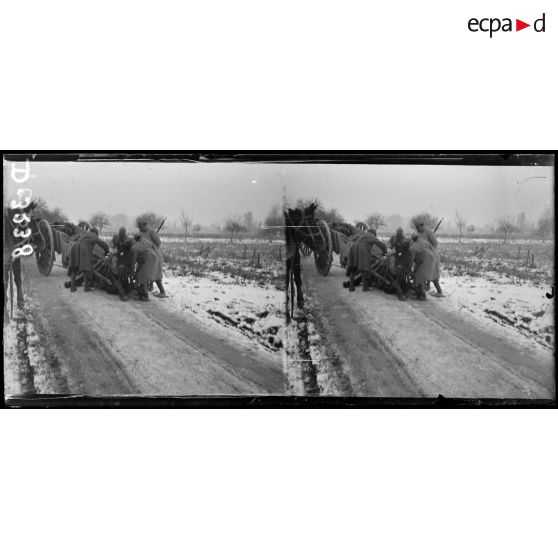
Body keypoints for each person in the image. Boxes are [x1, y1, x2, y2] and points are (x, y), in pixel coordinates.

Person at [68, 223, 109, 292]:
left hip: (74, 247)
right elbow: (102, 244)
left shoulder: (85, 234)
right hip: (83, 249)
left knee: (74, 268)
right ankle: (86, 288)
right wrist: (107, 251)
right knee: (86, 269)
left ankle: (72, 287)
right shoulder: (94, 235)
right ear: (96, 232)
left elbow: (76, 239)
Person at [346, 225, 387, 292]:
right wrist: (385, 251)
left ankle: (351, 287)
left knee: (352, 268)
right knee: (365, 269)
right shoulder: (371, 235)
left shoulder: (363, 234)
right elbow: (380, 244)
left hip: (353, 248)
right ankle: (365, 288)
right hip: (362, 250)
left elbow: (354, 239)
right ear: (374, 233)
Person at [137, 218, 167, 297]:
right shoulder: (141, 232)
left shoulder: (151, 231)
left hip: (155, 256)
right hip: (146, 256)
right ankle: (144, 289)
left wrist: (152, 248)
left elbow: (158, 243)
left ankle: (162, 292)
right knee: (146, 273)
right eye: (138, 227)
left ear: (145, 225)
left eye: (140, 226)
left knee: (156, 274)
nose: (139, 228)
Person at [415, 222, 444, 297]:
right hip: (424, 256)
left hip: (431, 256)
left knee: (432, 274)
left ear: (422, 226)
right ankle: (426, 287)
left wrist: (430, 250)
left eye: (418, 227)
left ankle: (439, 291)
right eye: (416, 227)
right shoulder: (419, 233)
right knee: (426, 273)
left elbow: (435, 243)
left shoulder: (428, 232)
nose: (417, 229)